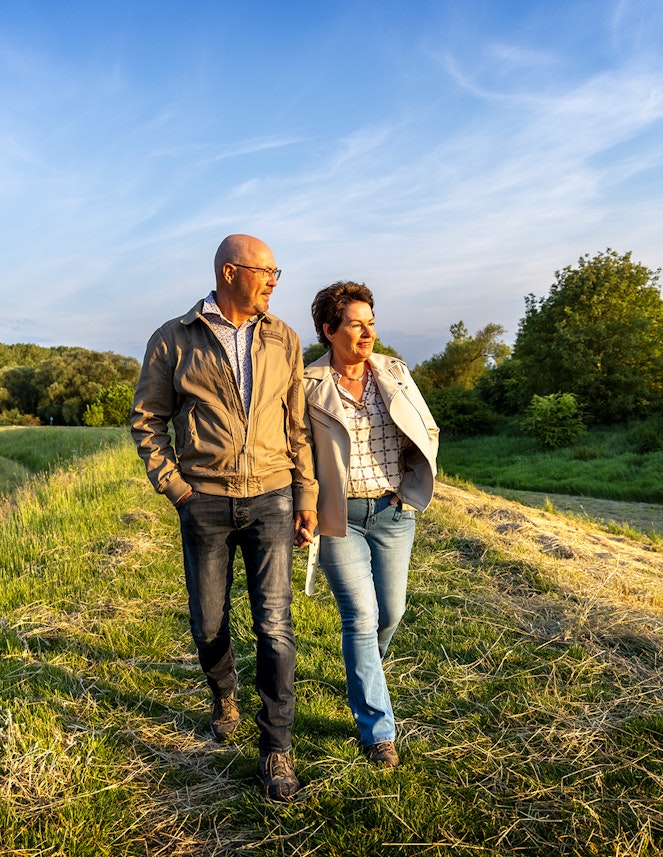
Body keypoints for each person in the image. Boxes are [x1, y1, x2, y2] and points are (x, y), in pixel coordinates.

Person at [131, 234, 318, 801]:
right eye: (267, 271)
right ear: (231, 271)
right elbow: (147, 420)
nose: (274, 281)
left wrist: (305, 494)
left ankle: (277, 749)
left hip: (272, 496)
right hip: (204, 500)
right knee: (209, 622)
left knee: (275, 625)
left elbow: (297, 424)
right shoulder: (174, 337)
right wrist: (175, 486)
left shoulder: (283, 337)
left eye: (276, 273)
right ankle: (223, 694)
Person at [302, 281, 439, 768]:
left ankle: (365, 673)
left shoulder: (394, 372)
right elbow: (298, 454)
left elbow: (425, 427)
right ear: (328, 330)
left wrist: (411, 484)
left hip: (393, 513)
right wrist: (306, 505)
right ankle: (378, 731)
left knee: (392, 613)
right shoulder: (307, 385)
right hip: (340, 518)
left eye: (371, 322)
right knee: (359, 618)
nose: (367, 332)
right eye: (355, 324)